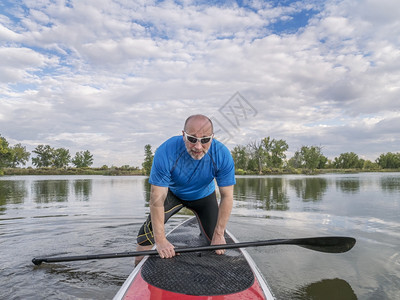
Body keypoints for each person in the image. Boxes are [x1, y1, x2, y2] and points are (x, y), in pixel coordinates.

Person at [135, 114, 236, 264]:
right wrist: (161, 240)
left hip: (204, 197)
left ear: (212, 137)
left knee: (216, 246)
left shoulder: (222, 154)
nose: (198, 146)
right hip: (174, 194)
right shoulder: (166, 151)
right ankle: (136, 270)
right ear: (183, 135)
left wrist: (219, 233)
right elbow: (156, 198)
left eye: (205, 140)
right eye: (192, 139)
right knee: (146, 235)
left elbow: (227, 196)